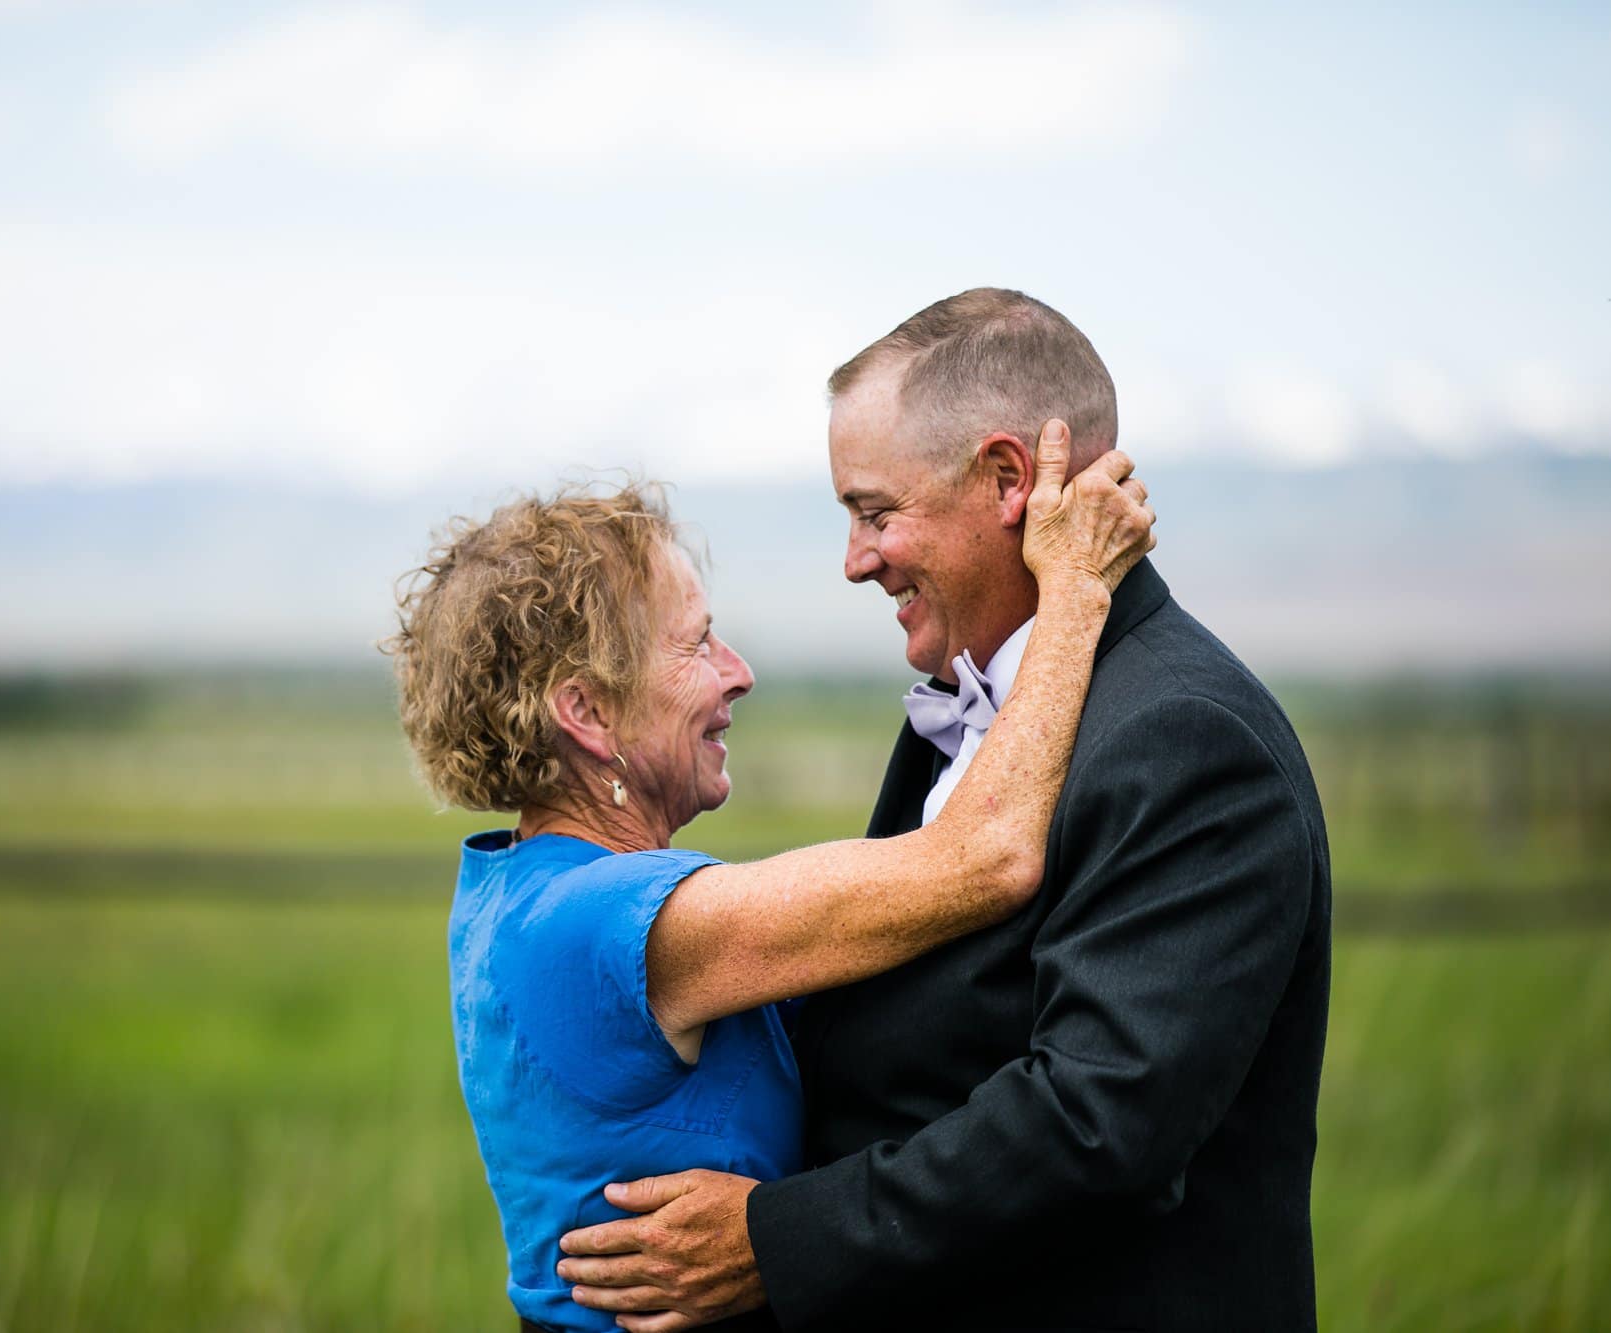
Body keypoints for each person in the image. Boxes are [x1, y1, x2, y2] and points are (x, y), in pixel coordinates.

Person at [558, 289, 1333, 1332]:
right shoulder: (978, 704)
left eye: (875, 512)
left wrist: (772, 1239)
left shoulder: (1186, 739)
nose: (854, 558)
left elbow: (1098, 1123)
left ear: (1008, 479)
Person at [388, 427, 1154, 1333]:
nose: (738, 673)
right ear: (586, 712)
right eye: (698, 643)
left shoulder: (522, 893)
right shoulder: (602, 923)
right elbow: (985, 857)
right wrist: (1073, 589)